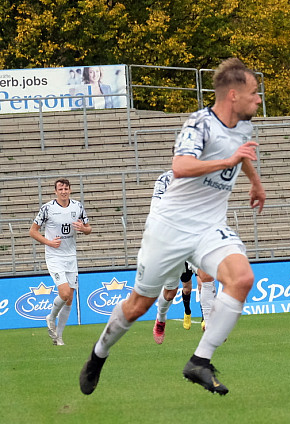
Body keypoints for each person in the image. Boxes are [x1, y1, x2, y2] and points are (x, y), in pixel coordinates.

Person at [79, 57, 266, 395]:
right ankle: (98, 354)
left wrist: (254, 182)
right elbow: (180, 166)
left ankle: (199, 361)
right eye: (254, 92)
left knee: (241, 278)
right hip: (171, 227)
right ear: (233, 95)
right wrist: (226, 161)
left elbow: (241, 155)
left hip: (209, 227)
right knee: (138, 306)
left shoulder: (243, 126)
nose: (258, 99)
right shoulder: (199, 124)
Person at [30, 178, 92, 346]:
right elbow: (33, 231)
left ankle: (58, 337)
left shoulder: (77, 206)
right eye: (60, 189)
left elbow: (89, 228)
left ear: (70, 190)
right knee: (64, 294)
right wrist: (49, 243)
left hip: (71, 256)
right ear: (55, 191)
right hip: (54, 256)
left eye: (66, 188)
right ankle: (51, 317)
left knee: (70, 299)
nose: (64, 191)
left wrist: (83, 228)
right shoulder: (47, 208)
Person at [148, 170, 197, 344]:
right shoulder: (165, 180)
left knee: (207, 275)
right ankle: (160, 320)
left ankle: (210, 321)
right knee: (169, 293)